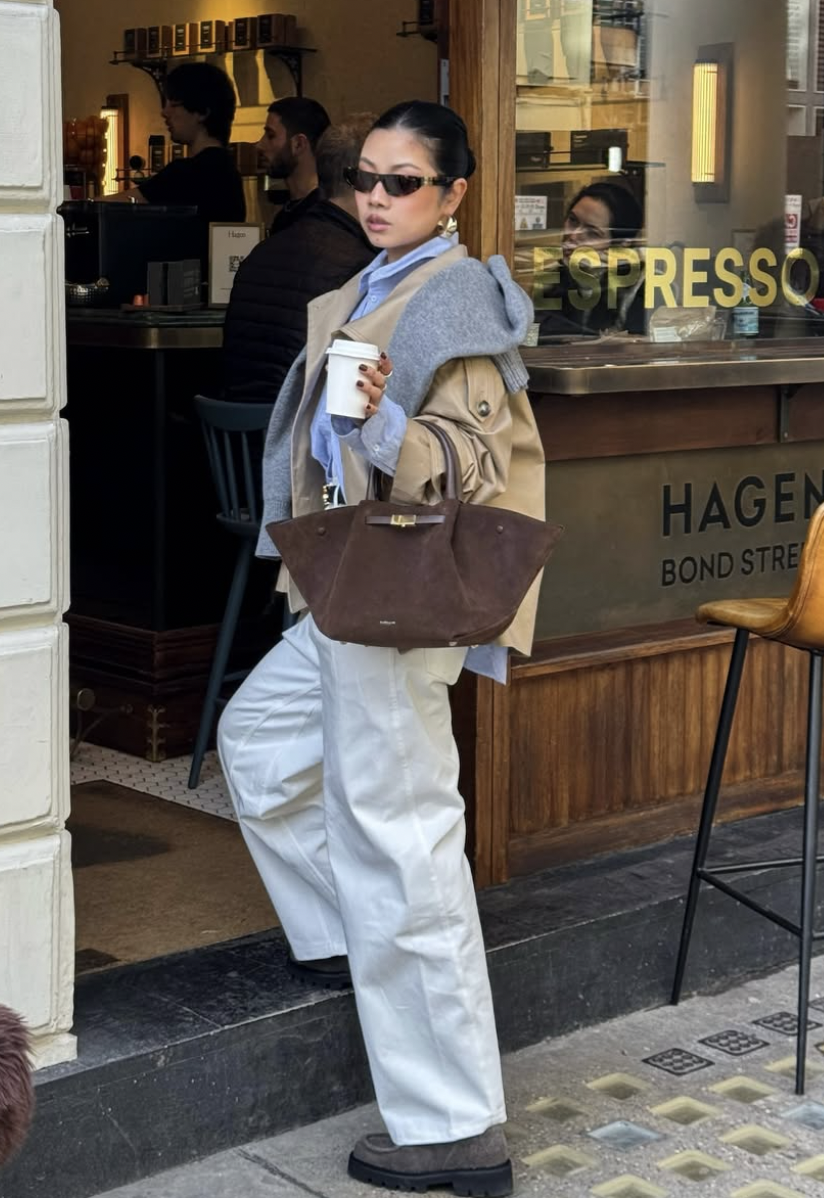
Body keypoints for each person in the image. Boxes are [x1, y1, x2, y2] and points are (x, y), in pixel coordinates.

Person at [217, 100, 545, 1197]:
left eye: (403, 182)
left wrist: (375, 423)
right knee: (256, 743)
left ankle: (454, 1124)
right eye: (366, 176)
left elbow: (468, 469)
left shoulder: (453, 301)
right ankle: (346, 941)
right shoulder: (370, 288)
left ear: (452, 194)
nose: (375, 196)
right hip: (342, 586)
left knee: (398, 837)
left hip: (400, 597)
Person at [219, 114, 378, 402]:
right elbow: (352, 402)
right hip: (302, 439)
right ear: (364, 180)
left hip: (243, 438)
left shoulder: (261, 253)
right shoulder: (361, 268)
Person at [95, 63, 245, 220]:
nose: (165, 112)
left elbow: (108, 206)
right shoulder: (228, 170)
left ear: (202, 113)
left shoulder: (188, 173)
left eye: (174, 104)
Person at [537, 180, 645, 335]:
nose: (573, 235)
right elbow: (535, 337)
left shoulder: (638, 290)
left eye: (592, 233)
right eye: (573, 220)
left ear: (620, 245)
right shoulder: (553, 278)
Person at [256, 96, 330, 234]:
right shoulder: (286, 215)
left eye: (270, 136)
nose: (260, 145)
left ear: (298, 144)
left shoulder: (323, 216)